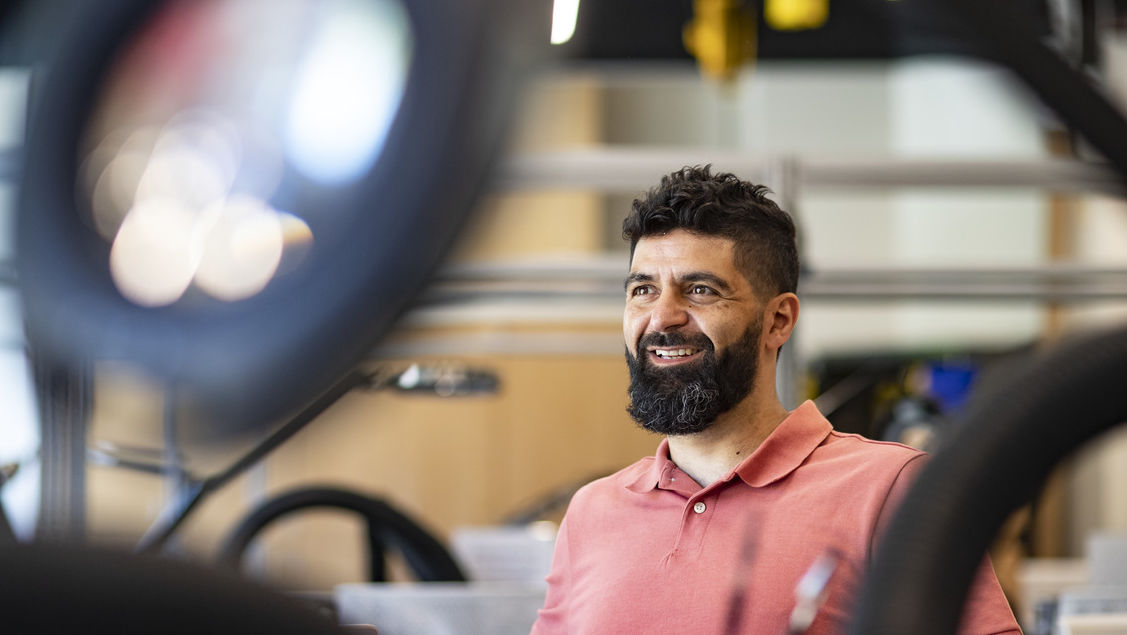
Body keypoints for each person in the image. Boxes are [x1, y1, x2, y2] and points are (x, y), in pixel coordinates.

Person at [530, 166, 1021, 634]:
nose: (662, 317)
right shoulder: (592, 513)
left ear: (779, 320)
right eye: (642, 289)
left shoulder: (891, 491)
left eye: (699, 290)